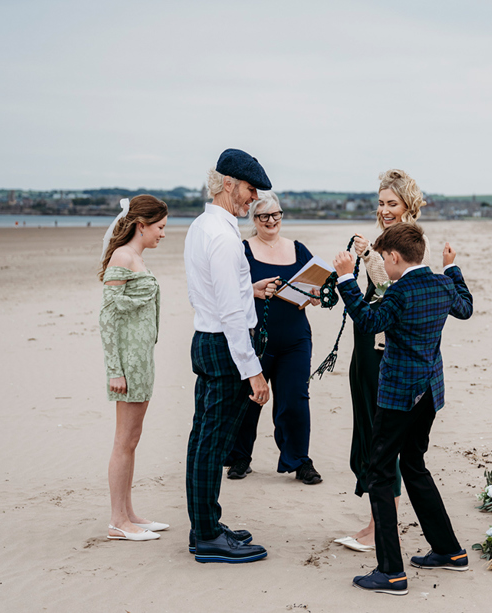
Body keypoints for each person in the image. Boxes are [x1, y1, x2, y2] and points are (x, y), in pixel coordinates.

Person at [333, 222, 473, 595]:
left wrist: (347, 279)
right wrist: (452, 268)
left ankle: (391, 572)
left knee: (379, 470)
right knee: (413, 464)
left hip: (398, 395)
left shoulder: (400, 293)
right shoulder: (442, 284)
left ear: (394, 257)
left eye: (383, 259)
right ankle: (448, 550)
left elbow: (367, 320)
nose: (382, 265)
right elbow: (466, 308)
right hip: (429, 392)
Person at [183, 148, 273, 564]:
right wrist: (252, 370)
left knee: (203, 438)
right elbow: (231, 312)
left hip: (209, 338)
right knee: (212, 444)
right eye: (250, 189)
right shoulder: (220, 234)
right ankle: (206, 536)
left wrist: (248, 290)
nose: (253, 198)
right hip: (223, 345)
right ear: (228, 184)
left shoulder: (203, 226)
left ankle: (206, 525)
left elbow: (223, 296)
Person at [339, 169, 432, 551]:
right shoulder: (383, 241)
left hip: (384, 348)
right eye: (380, 203)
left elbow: (391, 289)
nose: (384, 210)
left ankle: (383, 526)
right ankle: (377, 520)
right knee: (368, 429)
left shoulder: (408, 244)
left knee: (382, 437)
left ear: (408, 205)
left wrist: (368, 257)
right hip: (366, 344)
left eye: (392, 203)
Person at [223, 191, 324, 485]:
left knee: (295, 399)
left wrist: (314, 295)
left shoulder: (298, 249)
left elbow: (314, 288)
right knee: (250, 399)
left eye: (276, 214)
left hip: (296, 338)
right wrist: (253, 287)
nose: (271, 221)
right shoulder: (242, 249)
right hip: (257, 338)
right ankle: (240, 457)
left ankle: (299, 461)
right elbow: (231, 291)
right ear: (254, 219)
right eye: (264, 216)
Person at [99, 195, 169, 541]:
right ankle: (117, 521)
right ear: (141, 225)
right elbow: (107, 317)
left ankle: (129, 514)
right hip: (126, 363)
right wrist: (115, 369)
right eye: (160, 227)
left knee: (133, 439)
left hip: (142, 361)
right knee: (124, 441)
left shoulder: (136, 257)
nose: (163, 234)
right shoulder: (123, 257)